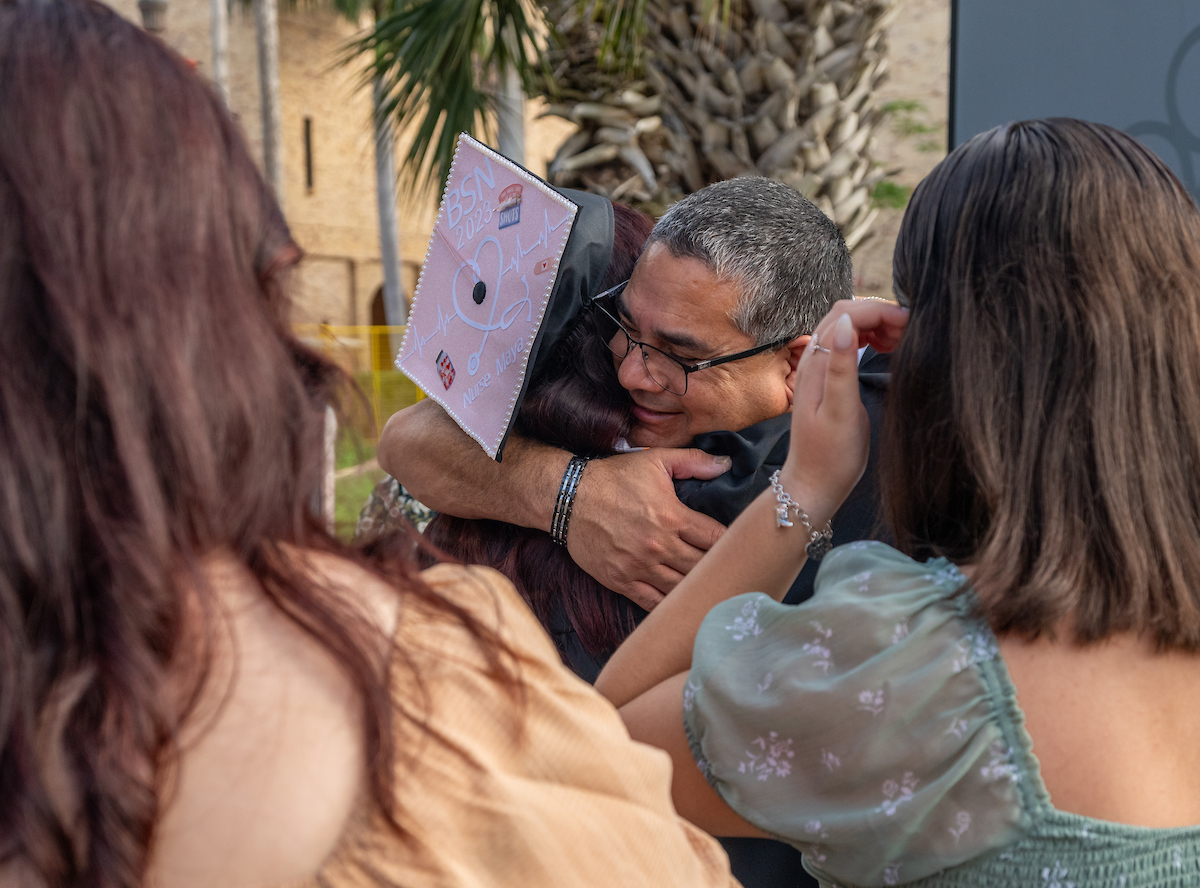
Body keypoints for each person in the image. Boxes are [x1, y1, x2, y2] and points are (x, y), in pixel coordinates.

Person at [0, 3, 741, 886]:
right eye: (632, 340)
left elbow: (410, 437)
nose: (645, 370)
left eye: (677, 352)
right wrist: (569, 491)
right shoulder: (448, 661)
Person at [597, 118, 1200, 886]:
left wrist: (806, 488)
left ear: (949, 354)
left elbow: (602, 749)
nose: (636, 374)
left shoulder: (916, 674)